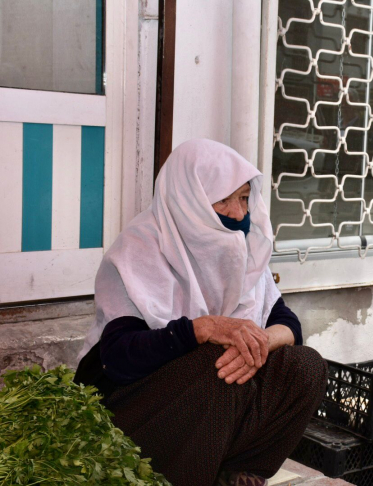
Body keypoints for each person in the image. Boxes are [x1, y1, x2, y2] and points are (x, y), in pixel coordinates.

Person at [74, 139, 328, 486]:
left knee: (306, 365)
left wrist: (256, 343)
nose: (238, 213)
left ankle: (235, 473)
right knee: (216, 367)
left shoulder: (242, 249)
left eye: (243, 198)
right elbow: (118, 357)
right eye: (223, 199)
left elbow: (287, 323)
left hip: (209, 409)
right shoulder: (140, 250)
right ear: (187, 198)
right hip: (125, 413)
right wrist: (203, 329)